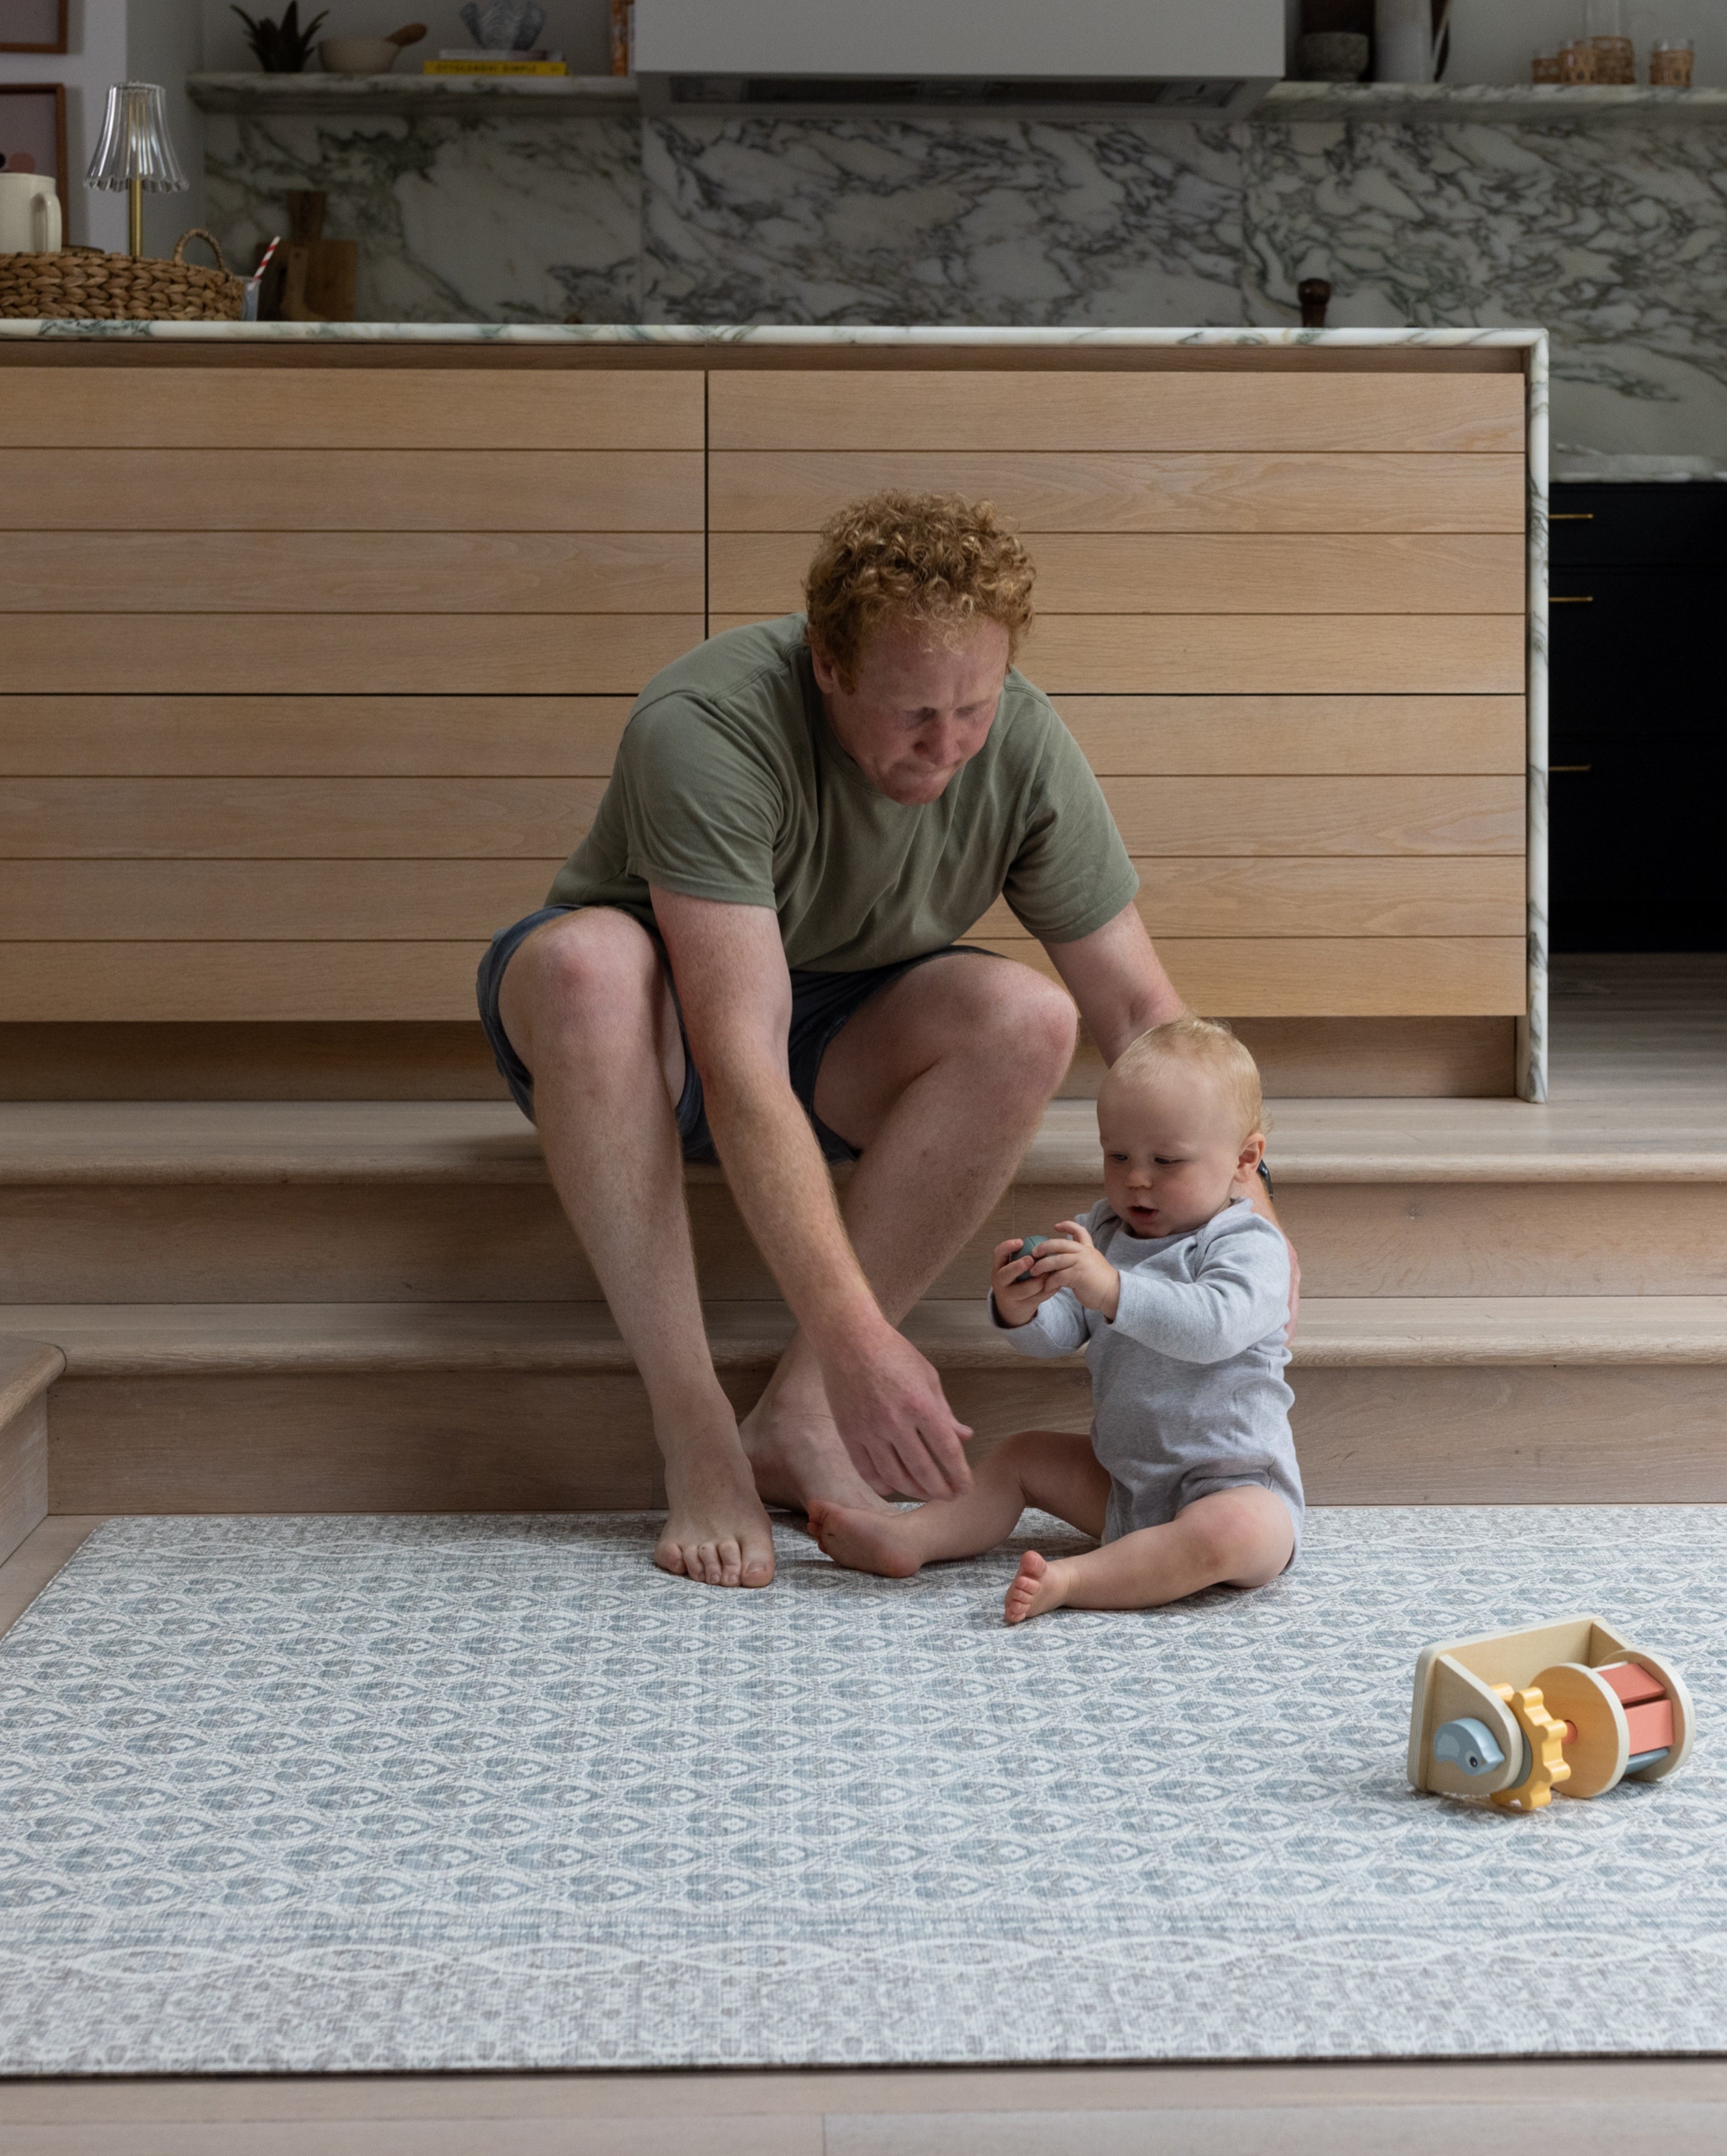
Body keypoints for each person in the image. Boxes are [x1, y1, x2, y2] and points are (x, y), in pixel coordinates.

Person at [478, 491, 1277, 1590]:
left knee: (1030, 1014)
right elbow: (740, 1055)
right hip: (645, 1033)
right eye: (913, 713)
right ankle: (697, 1427)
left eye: (974, 706)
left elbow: (1144, 1018)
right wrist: (861, 1335)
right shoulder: (706, 724)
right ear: (828, 663)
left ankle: (795, 1416)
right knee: (591, 966)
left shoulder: (1022, 742)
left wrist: (1252, 1218)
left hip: (842, 1033)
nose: (947, 745)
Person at [806, 1016, 1301, 1621]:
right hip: (1126, 1485)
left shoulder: (1249, 1242)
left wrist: (1112, 1288)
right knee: (1022, 1456)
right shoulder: (1105, 1231)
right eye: (1118, 1155)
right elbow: (1063, 1328)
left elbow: (1214, 1326)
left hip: (1233, 1486)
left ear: (1245, 1159)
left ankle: (1074, 1579)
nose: (1137, 1178)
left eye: (1167, 1160)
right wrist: (1023, 1307)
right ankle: (912, 1537)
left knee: (1236, 1531)